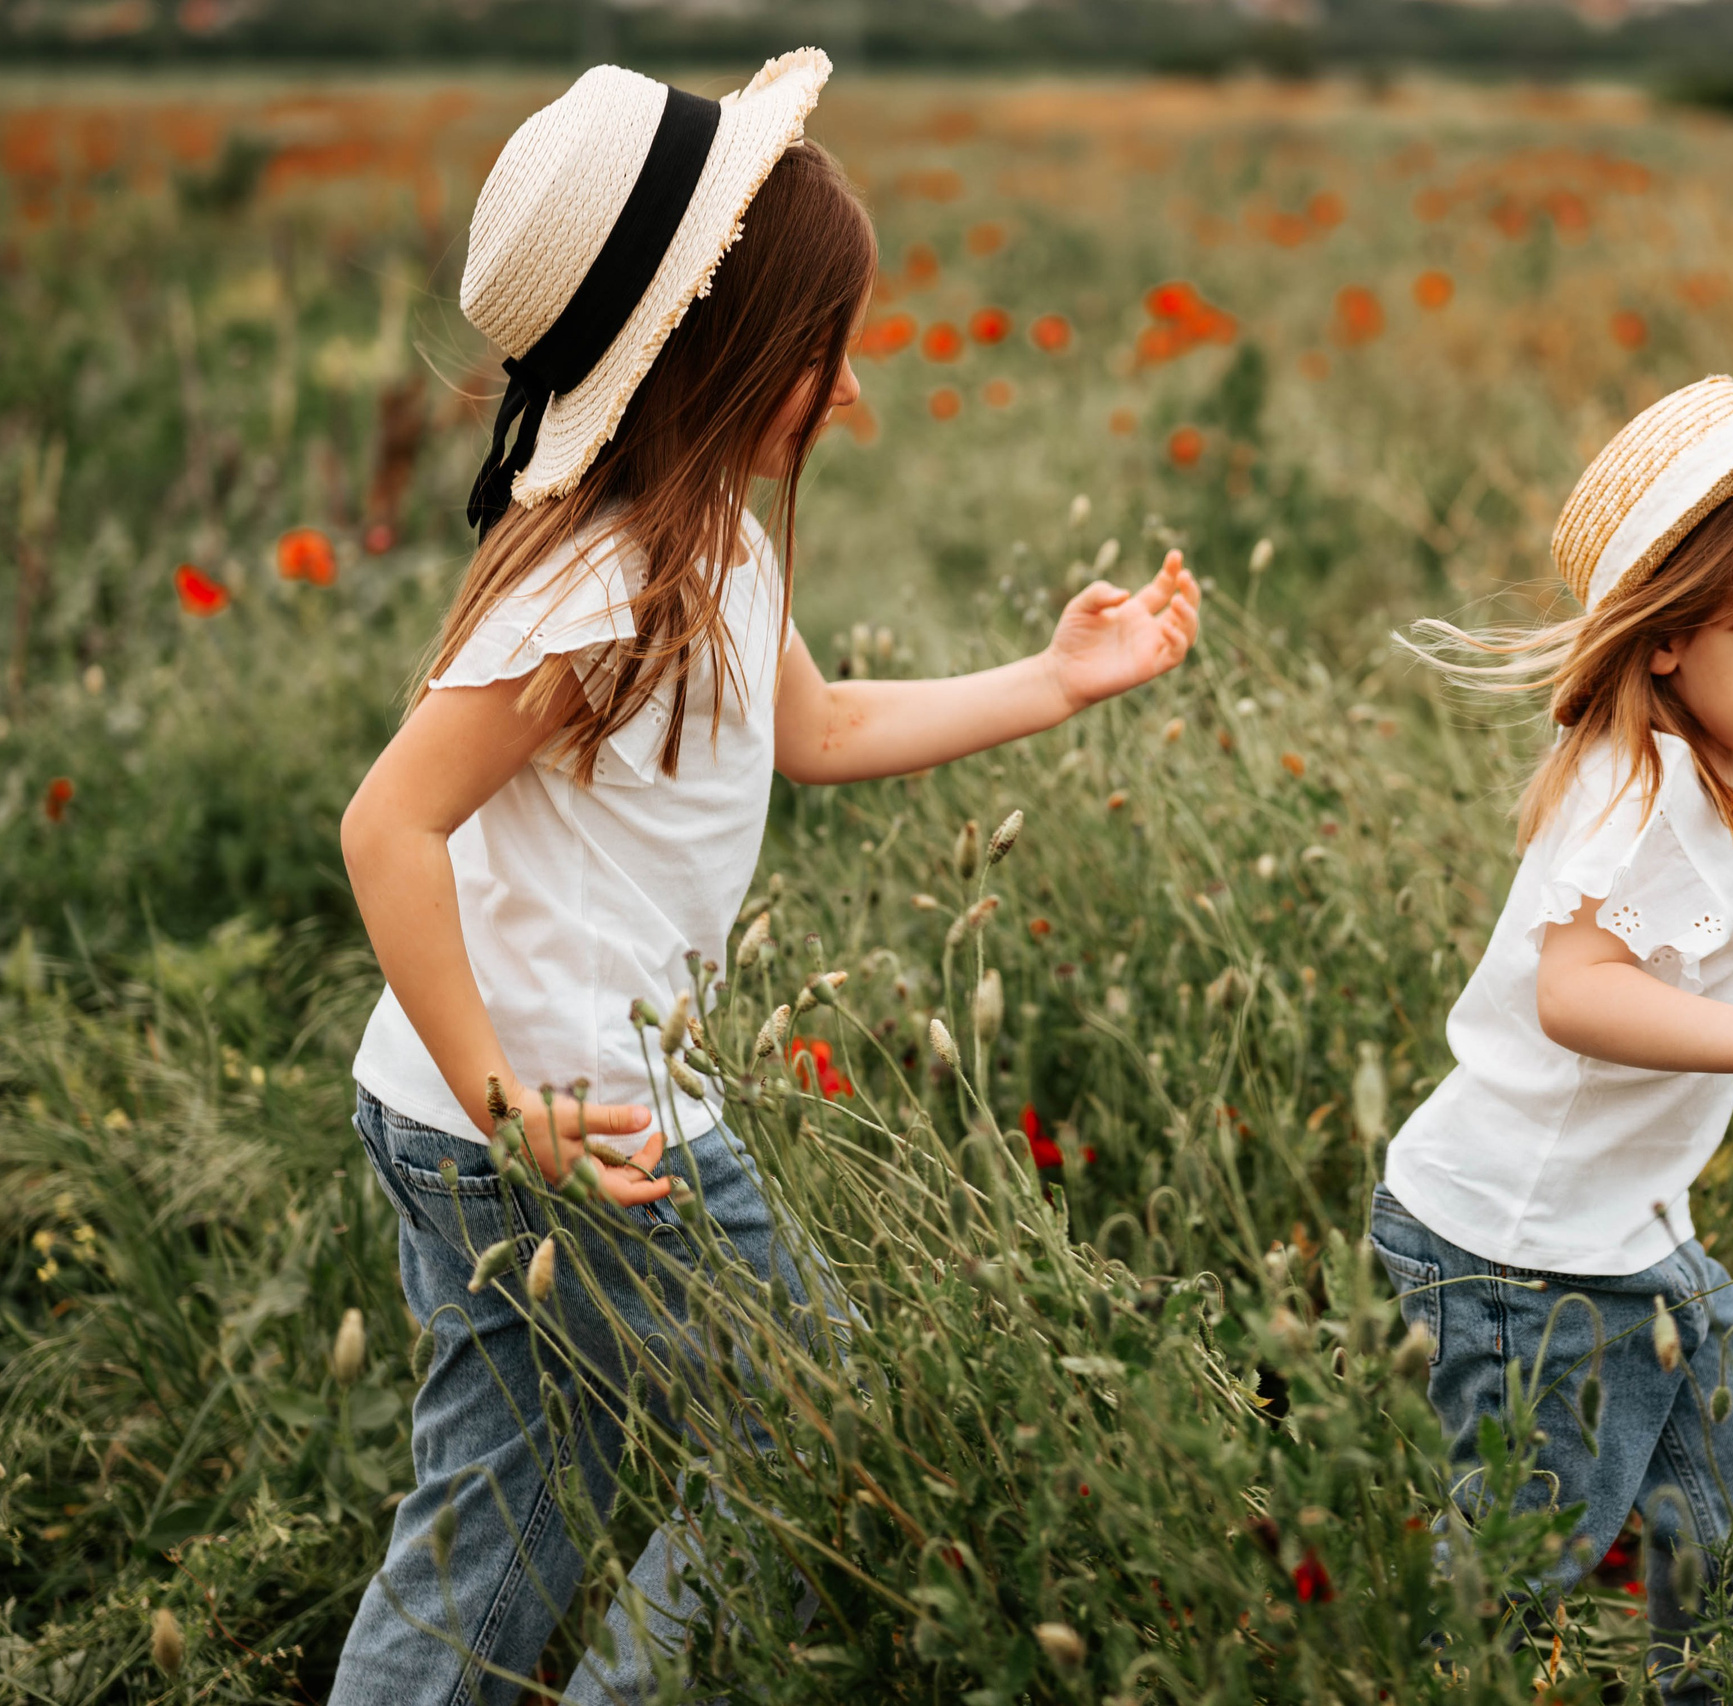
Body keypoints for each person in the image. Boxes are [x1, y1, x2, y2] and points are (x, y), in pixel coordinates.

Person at [332, 53, 1200, 1705]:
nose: (852, 391)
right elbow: (389, 824)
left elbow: (818, 727)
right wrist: (509, 1101)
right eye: (824, 350)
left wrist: (1056, 677)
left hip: (494, 1113)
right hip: (576, 1125)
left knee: (500, 1508)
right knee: (817, 1435)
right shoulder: (598, 588)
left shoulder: (709, 541)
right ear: (714, 354)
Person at [1373, 375, 1733, 1700]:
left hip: (1626, 1229)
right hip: (1520, 1253)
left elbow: (1649, 939)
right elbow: (1579, 993)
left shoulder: (1709, 758)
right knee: (1517, 1553)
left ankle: (1718, 1684)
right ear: (1666, 639)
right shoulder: (1642, 786)